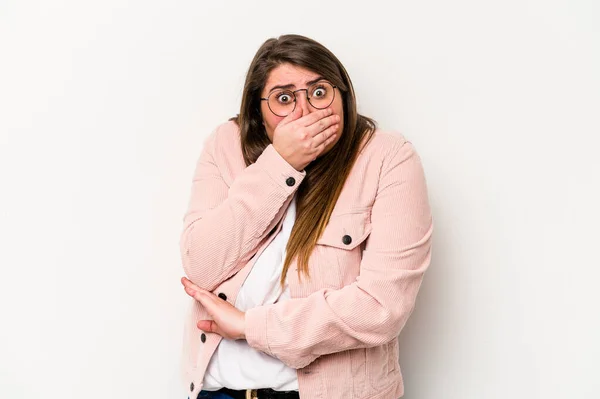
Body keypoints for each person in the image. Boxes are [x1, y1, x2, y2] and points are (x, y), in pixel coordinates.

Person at [178, 34, 434, 399]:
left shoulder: (387, 158)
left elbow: (381, 307)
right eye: (284, 98)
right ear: (258, 112)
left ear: (342, 94)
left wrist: (252, 327)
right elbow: (201, 265)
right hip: (220, 392)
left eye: (318, 92)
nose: (306, 111)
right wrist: (281, 163)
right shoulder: (225, 145)